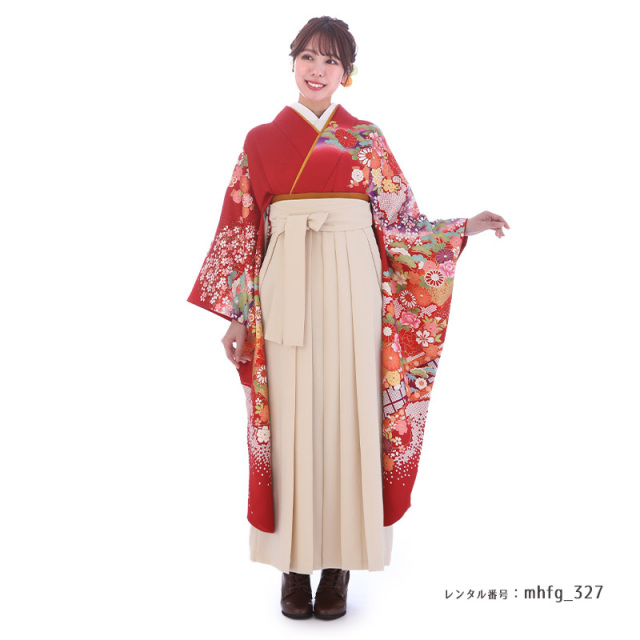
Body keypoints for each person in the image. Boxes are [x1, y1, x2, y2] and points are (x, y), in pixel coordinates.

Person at [187, 16, 509, 621]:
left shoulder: (366, 139)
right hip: (285, 280)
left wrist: (462, 228)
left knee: (348, 412)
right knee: (291, 416)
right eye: (308, 56)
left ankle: (338, 565)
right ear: (292, 62)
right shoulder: (261, 139)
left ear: (347, 74)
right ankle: (293, 565)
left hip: (356, 283)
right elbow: (242, 228)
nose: (317, 70)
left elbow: (401, 222)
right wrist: (236, 317)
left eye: (331, 61)